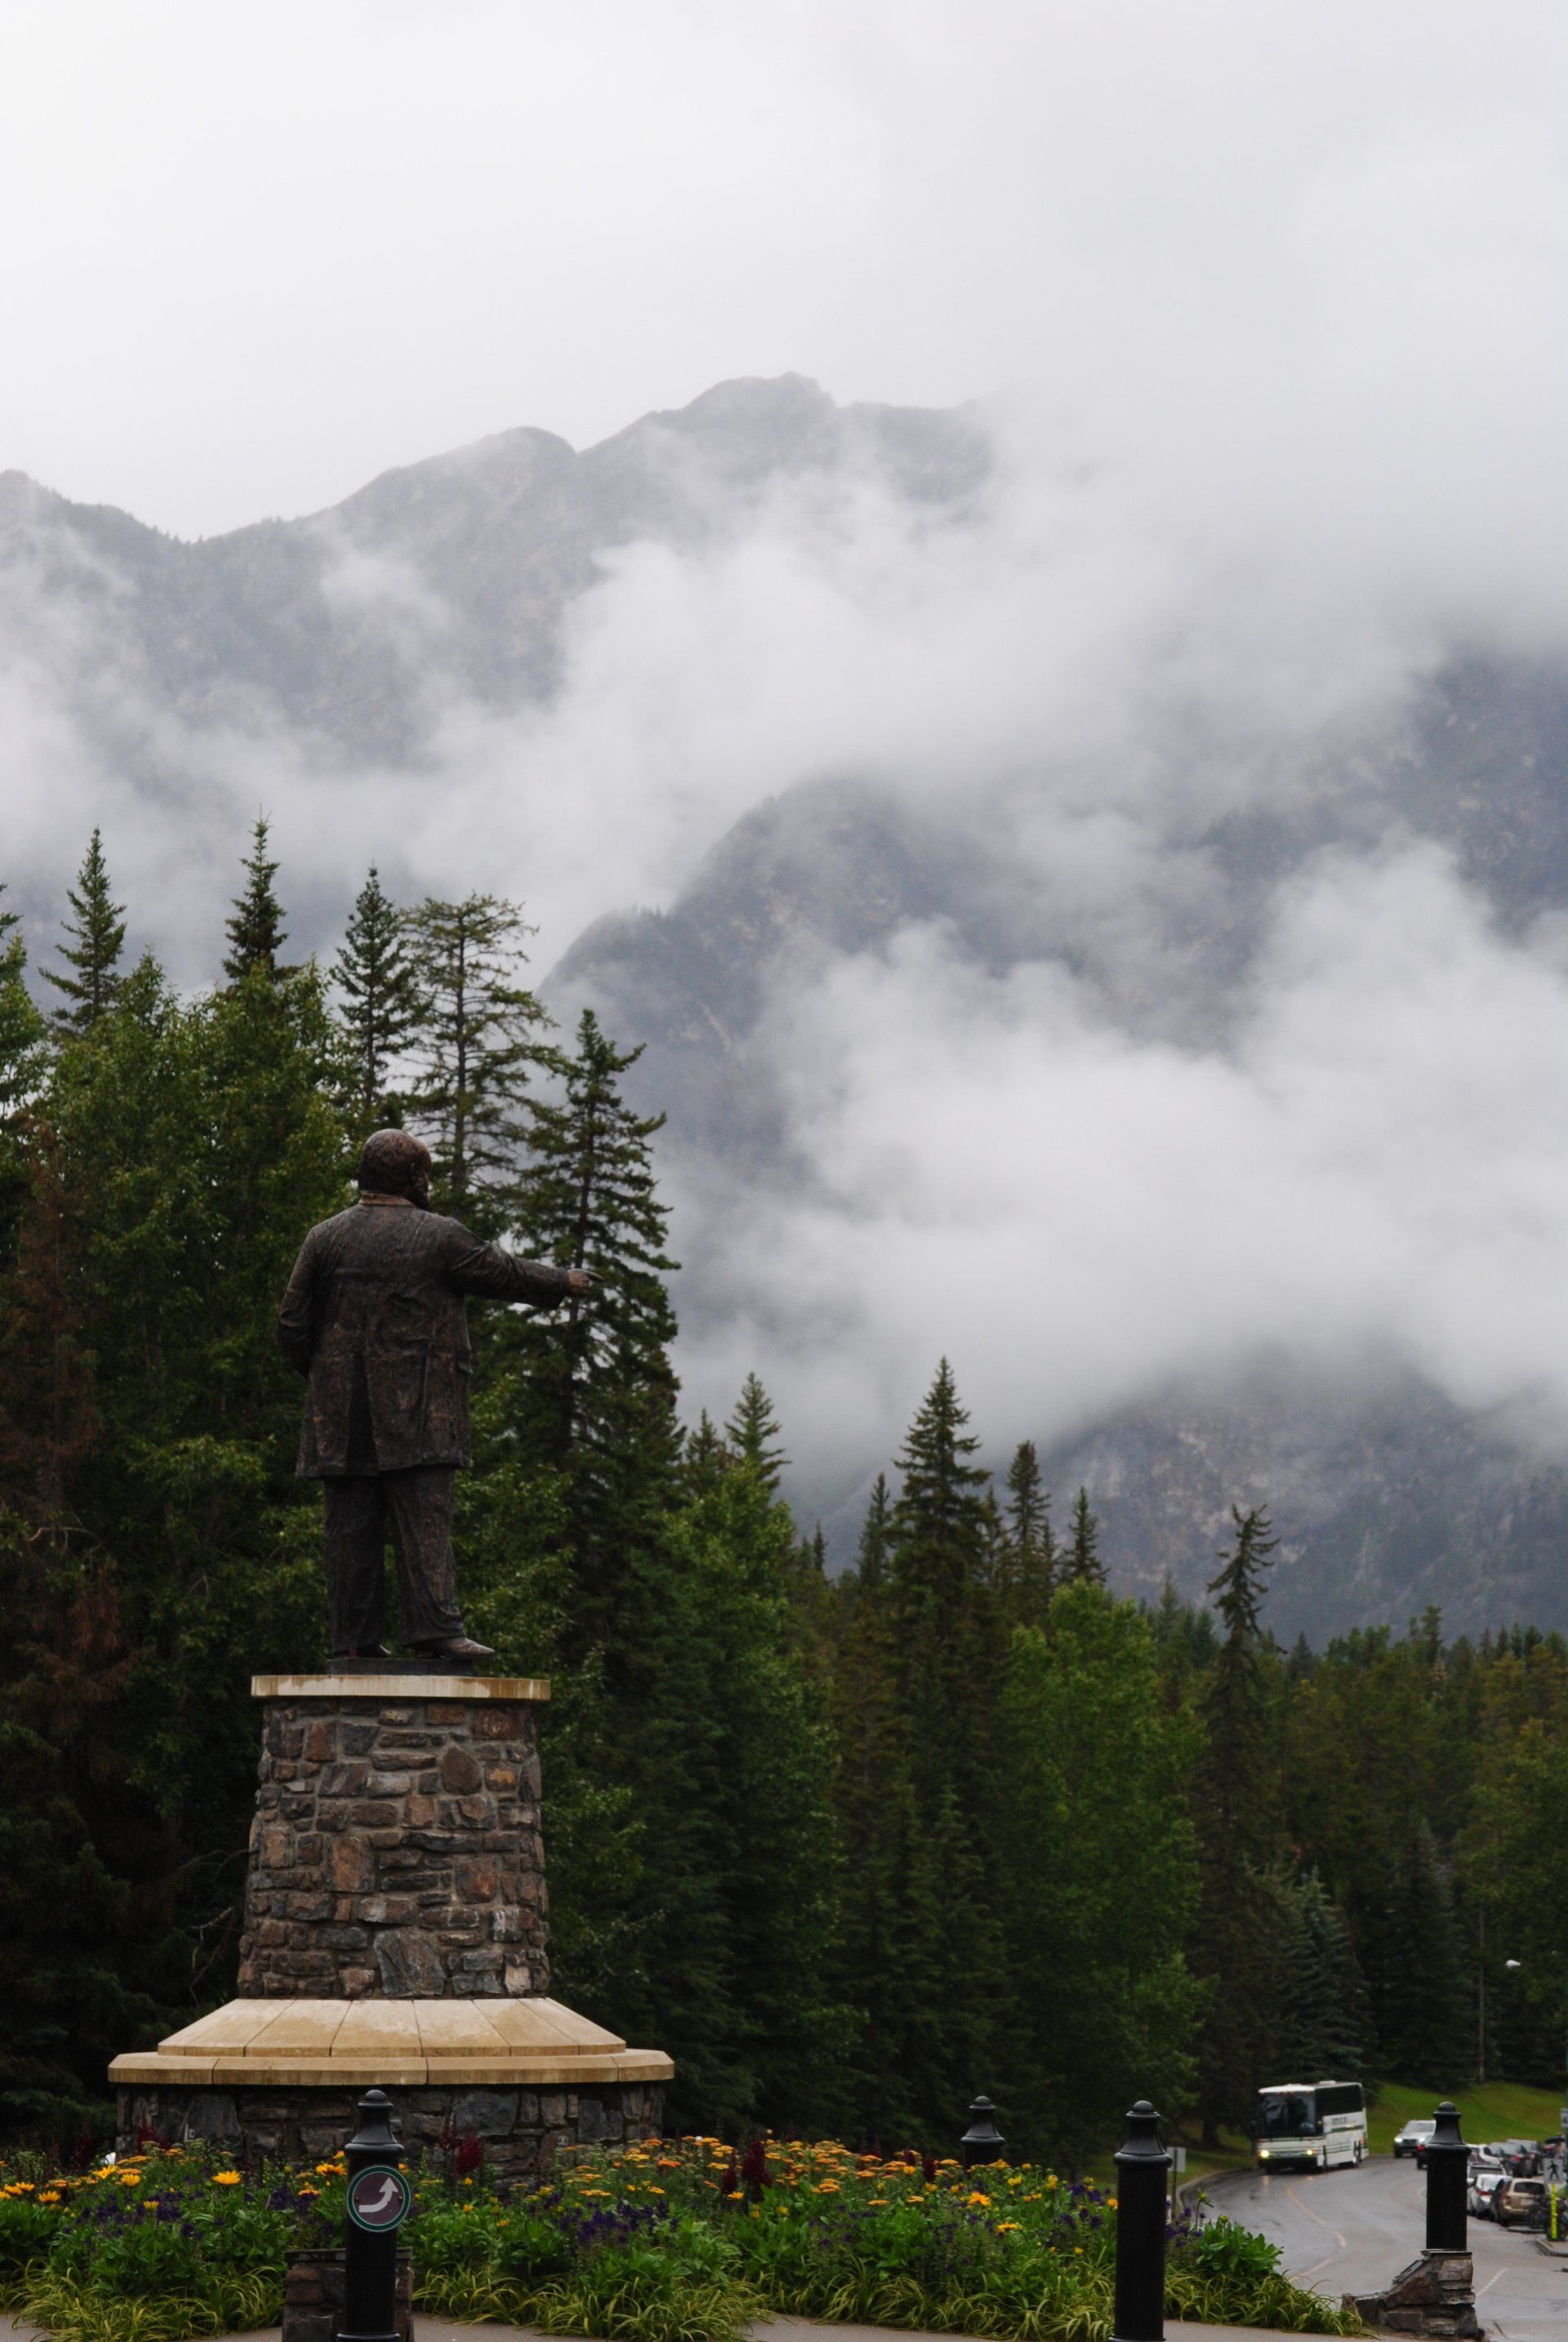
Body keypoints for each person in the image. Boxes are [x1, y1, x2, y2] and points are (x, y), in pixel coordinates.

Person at [276, 1128, 590, 1663]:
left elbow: (291, 1323)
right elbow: (502, 1272)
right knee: (424, 1521)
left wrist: (325, 1380)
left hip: (340, 1418)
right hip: (420, 1412)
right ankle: (436, 1630)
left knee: (350, 1532)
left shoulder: (323, 1238)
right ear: (413, 1179)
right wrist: (562, 1280)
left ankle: (351, 1642)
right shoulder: (437, 1236)